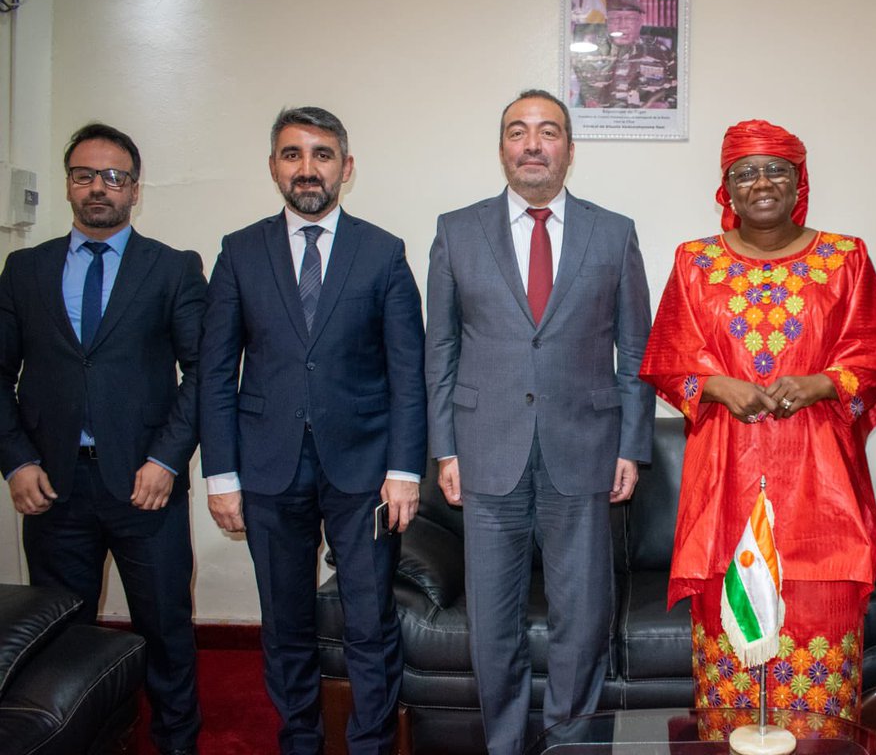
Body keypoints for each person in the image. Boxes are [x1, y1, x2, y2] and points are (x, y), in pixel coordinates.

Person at [639, 119, 876, 730]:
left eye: (776, 171)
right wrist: (715, 384)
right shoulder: (695, 262)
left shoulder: (845, 258)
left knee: (822, 638)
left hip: (821, 491)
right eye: (745, 172)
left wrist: (822, 383)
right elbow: (664, 358)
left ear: (799, 182)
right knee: (730, 658)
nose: (761, 183)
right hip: (725, 487)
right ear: (727, 188)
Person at [424, 88, 655, 755]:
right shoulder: (456, 230)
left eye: (548, 131)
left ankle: (570, 744)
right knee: (491, 624)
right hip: (485, 450)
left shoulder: (614, 232)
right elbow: (440, 347)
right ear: (501, 148)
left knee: (581, 620)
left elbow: (635, 349)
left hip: (584, 449)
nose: (533, 143)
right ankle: (503, 744)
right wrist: (445, 449)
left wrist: (633, 446)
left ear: (569, 150)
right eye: (518, 131)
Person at [200, 107, 426, 755]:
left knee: (369, 622)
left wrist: (404, 472)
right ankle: (300, 740)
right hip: (268, 469)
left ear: (346, 168)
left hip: (364, 473)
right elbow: (216, 372)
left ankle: (370, 745)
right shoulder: (239, 252)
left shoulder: (383, 253)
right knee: (286, 623)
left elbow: (407, 372)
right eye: (293, 154)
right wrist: (221, 476)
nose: (308, 168)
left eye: (322, 154)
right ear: (274, 166)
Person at [0, 123, 204, 755]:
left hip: (146, 484)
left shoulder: (172, 269)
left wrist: (166, 459)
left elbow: (202, 373)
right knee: (62, 633)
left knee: (166, 626)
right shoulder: (25, 269)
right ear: (68, 184)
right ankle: (83, 737)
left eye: (113, 176)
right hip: (53, 485)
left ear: (135, 191)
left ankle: (176, 741)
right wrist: (16, 461)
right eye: (85, 174)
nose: (99, 187)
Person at [572, 0, 677, 109]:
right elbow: (574, 88)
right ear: (607, 22)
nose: (622, 26)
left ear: (640, 22)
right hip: (601, 122)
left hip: (647, 121)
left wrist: (666, 104)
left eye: (630, 19)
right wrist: (587, 100)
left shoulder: (662, 53)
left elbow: (681, 89)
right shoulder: (588, 52)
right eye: (615, 19)